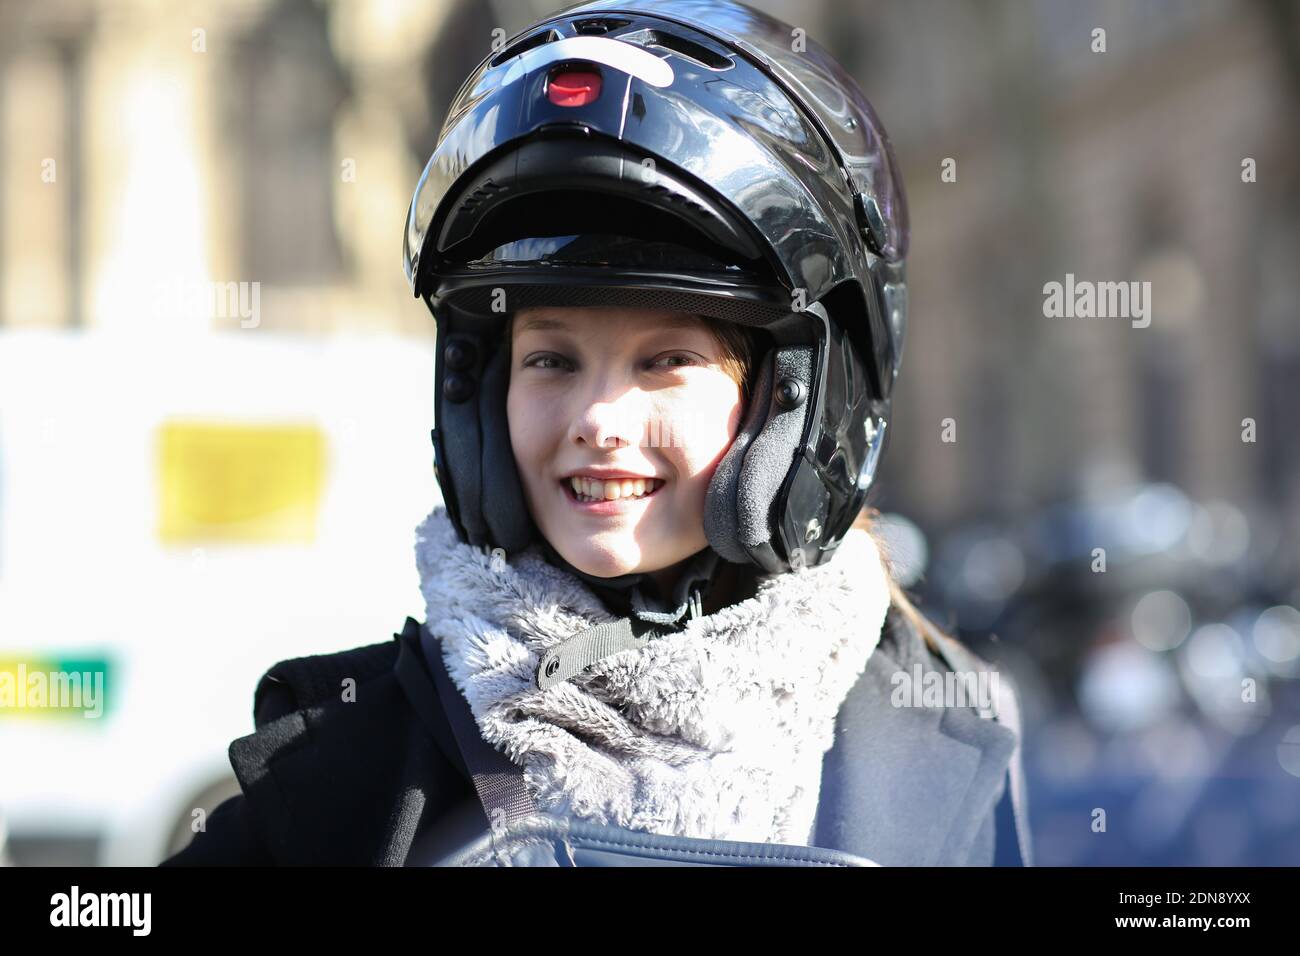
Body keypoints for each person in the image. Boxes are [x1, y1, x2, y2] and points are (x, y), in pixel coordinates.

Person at [162, 0, 1032, 867]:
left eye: (665, 363)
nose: (597, 420)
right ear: (481, 393)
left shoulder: (945, 754)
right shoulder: (343, 780)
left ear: (793, 404)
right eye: (551, 361)